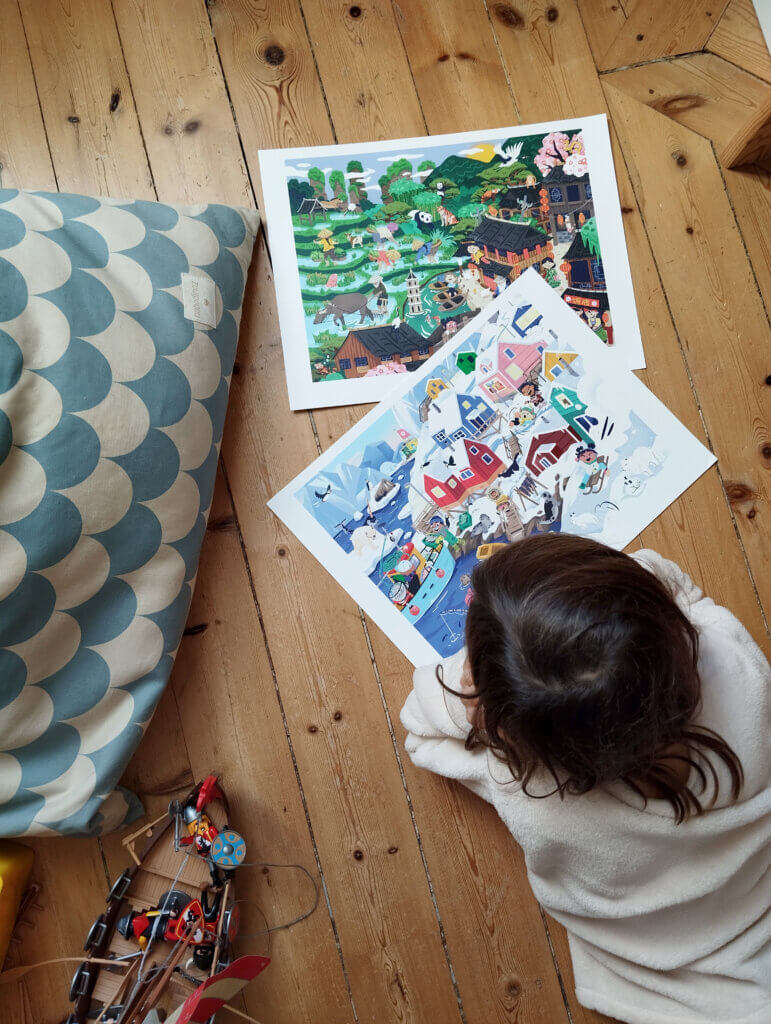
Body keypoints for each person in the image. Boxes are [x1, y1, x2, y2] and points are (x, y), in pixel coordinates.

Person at [401, 534, 769, 1024]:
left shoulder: (535, 796)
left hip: (676, 934)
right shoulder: (736, 665)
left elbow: (419, 722)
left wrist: (483, 716)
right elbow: (667, 581)